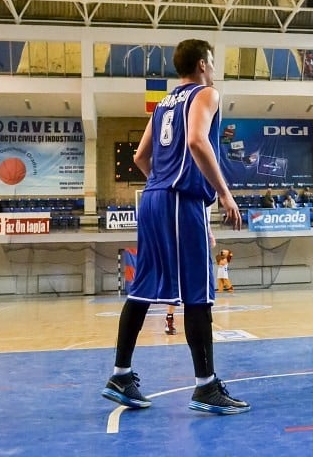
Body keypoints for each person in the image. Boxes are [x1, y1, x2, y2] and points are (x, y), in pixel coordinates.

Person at [101, 38, 248, 414]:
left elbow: (139, 156)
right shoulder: (207, 94)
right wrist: (224, 195)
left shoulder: (163, 103)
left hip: (152, 199)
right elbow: (199, 141)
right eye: (212, 62)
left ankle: (121, 374)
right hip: (179, 199)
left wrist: (163, 188)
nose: (213, 69)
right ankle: (206, 386)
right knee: (199, 294)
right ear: (202, 64)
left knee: (143, 287)